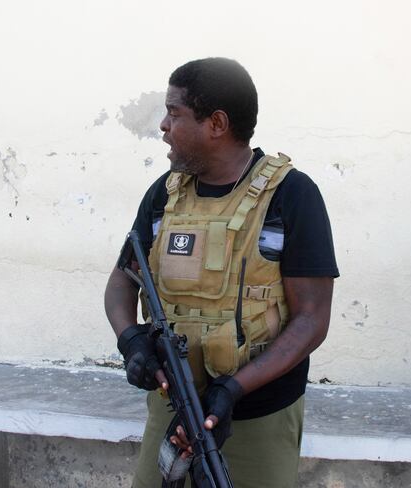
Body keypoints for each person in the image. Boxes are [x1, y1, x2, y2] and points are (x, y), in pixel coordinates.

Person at [104, 57, 339, 488]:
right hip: (172, 406)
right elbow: (122, 279)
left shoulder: (291, 196)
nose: (162, 126)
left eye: (174, 114)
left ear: (216, 123)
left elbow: (312, 319)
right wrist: (131, 339)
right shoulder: (163, 194)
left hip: (257, 415)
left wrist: (234, 389)